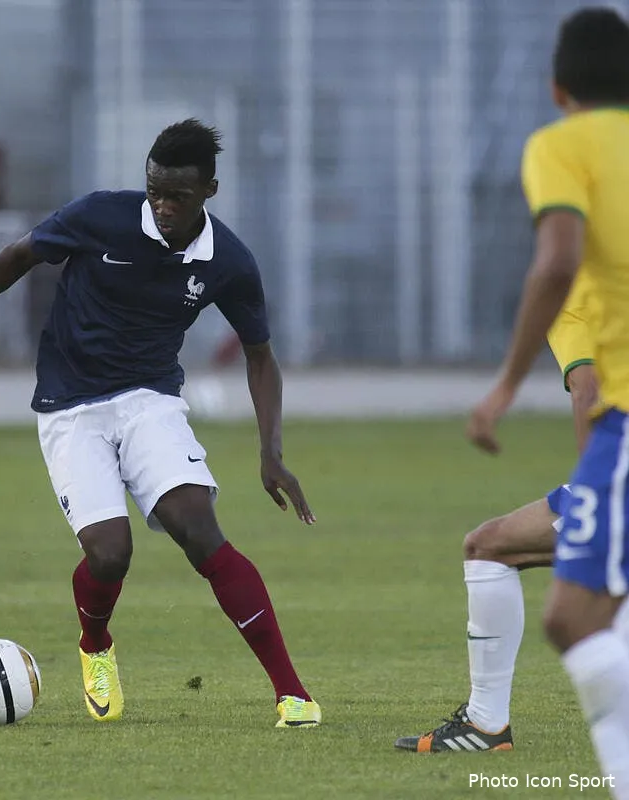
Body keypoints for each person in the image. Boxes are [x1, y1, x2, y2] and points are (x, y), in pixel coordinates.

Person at [0, 119, 321, 727]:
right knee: (110, 554)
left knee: (199, 528)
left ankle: (292, 693)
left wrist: (271, 453)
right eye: (153, 190)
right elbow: (22, 253)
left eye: (177, 197)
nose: (161, 206)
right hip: (68, 405)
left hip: (149, 399)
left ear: (210, 189)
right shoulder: (102, 216)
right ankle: (95, 645)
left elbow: (261, 358)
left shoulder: (229, 262)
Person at [467, 8, 629, 791]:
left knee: (567, 606)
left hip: (620, 452)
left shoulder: (572, 284)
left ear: (558, 87)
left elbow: (594, 408)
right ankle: (484, 725)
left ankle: (489, 726)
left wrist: (501, 388)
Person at [395, 279, 598, 753]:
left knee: (488, 549)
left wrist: (597, 502)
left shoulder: (580, 285)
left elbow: (589, 391)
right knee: (490, 545)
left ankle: (486, 724)